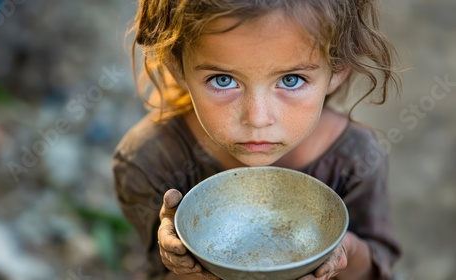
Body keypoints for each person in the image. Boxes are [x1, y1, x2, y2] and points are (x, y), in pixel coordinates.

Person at [113, 0, 401, 279]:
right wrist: (184, 264)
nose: (257, 118)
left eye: (291, 79)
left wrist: (345, 249)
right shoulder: (149, 160)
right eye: (223, 79)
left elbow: (375, 270)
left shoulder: (356, 158)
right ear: (178, 67)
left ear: (337, 69)